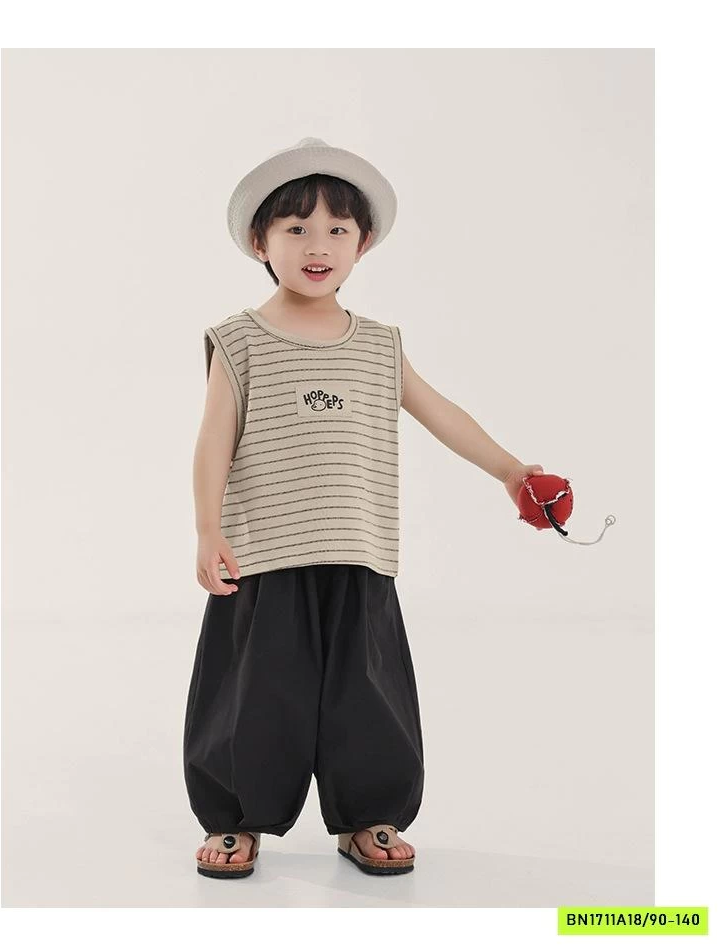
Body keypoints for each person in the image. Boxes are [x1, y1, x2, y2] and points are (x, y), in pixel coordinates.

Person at [183, 137, 544, 879]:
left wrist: (511, 471)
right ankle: (236, 818)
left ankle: (367, 815)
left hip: (358, 551)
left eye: (337, 230)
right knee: (256, 694)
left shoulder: (379, 345)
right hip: (266, 556)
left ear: (363, 243)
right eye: (296, 229)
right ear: (260, 242)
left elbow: (440, 412)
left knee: (367, 695)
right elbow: (213, 440)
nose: (317, 246)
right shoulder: (239, 340)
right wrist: (207, 529)